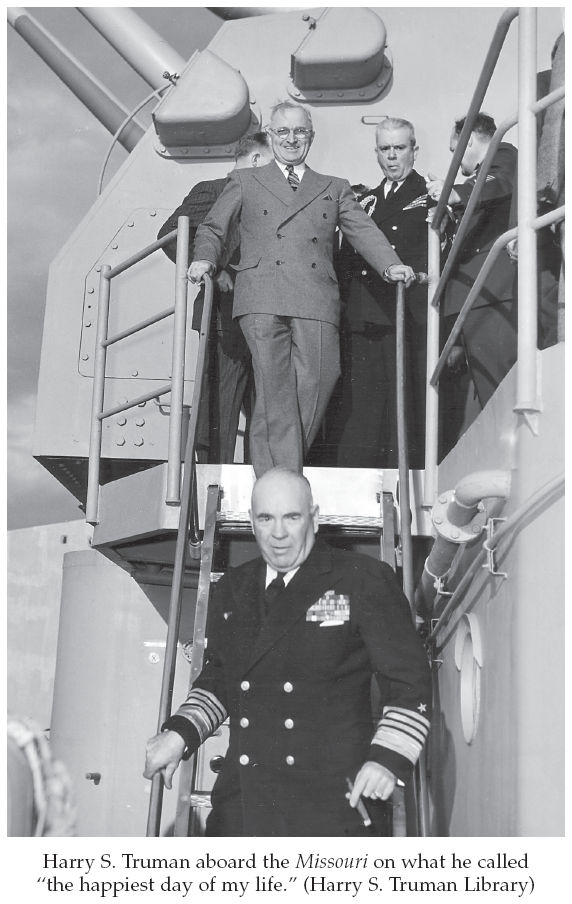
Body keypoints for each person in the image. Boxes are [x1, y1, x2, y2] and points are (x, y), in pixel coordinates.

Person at [144, 468, 432, 837]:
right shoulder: (234, 587)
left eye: (291, 517)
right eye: (266, 518)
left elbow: (409, 681)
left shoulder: (361, 579)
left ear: (313, 517)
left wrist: (388, 760)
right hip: (244, 804)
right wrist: (180, 733)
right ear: (252, 521)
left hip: (330, 805)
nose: (278, 533)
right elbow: (220, 677)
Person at [188, 101, 415, 477]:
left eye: (299, 132)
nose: (291, 139)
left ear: (310, 136)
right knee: (275, 387)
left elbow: (363, 230)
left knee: (320, 379)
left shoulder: (333, 187)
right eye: (283, 132)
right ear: (271, 136)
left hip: (316, 297)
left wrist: (390, 264)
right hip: (261, 294)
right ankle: (284, 480)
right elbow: (213, 227)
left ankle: (272, 471)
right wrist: (206, 260)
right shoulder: (246, 181)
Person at [327, 117, 441, 469]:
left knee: (402, 406)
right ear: (377, 153)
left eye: (400, 148)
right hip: (364, 314)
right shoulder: (366, 202)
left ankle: (399, 482)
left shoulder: (431, 197)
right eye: (385, 149)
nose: (393, 157)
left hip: (404, 313)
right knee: (362, 406)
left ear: (414, 151)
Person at [157, 132, 273, 463]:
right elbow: (170, 235)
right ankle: (212, 484)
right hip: (225, 316)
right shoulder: (213, 191)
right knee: (219, 408)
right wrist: (214, 270)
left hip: (265, 319)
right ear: (255, 160)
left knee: (262, 412)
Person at [426, 113, 518, 412]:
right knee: (490, 391)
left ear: (468, 142)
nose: (457, 164)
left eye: (455, 152)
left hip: (489, 291)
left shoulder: (502, 154)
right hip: (475, 295)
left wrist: (455, 193)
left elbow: (499, 182)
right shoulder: (479, 178)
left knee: (500, 389)